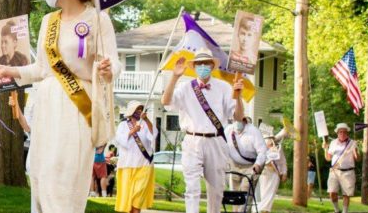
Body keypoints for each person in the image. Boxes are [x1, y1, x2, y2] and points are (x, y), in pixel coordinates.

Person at [0, 0, 121, 212]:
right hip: (46, 106)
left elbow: (112, 63)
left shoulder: (97, 20)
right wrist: (8, 69)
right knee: (40, 173)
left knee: (64, 177)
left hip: (77, 107)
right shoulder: (49, 21)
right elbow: (42, 68)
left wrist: (108, 70)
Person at [160, 48, 245, 213]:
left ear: (213, 66)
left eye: (207, 63)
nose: (203, 66)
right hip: (192, 140)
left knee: (216, 189)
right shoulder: (185, 87)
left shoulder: (224, 88)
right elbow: (165, 101)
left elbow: (238, 117)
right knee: (191, 186)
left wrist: (239, 96)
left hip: (216, 141)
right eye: (199, 63)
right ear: (194, 66)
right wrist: (175, 77)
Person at [113, 101, 157, 213]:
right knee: (128, 200)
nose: (140, 112)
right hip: (127, 165)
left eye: (141, 109)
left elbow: (154, 135)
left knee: (138, 198)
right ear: (131, 112)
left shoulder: (146, 124)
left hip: (144, 165)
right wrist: (132, 131)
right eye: (137, 109)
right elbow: (119, 140)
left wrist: (146, 120)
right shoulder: (123, 125)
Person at [224, 116, 267, 194]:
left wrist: (258, 164)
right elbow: (222, 147)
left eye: (239, 120)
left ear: (245, 120)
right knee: (234, 194)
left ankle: (244, 206)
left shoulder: (253, 131)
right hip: (235, 165)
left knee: (245, 190)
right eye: (234, 120)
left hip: (250, 167)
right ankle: (237, 206)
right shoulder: (228, 130)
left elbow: (262, 151)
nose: (237, 123)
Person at [323, 123, 359, 213]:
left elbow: (358, 159)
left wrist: (356, 152)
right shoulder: (333, 143)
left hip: (348, 172)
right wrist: (325, 149)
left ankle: (345, 212)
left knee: (346, 194)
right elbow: (328, 158)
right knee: (332, 192)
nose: (342, 134)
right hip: (334, 171)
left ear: (347, 133)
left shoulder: (352, 143)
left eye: (344, 132)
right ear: (337, 133)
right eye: (340, 132)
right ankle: (336, 210)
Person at [258, 135, 287, 213]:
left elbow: (282, 161)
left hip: (274, 175)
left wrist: (284, 173)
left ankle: (266, 210)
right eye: (269, 139)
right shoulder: (261, 148)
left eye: (271, 139)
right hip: (264, 173)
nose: (270, 141)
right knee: (264, 193)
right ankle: (261, 209)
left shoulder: (278, 148)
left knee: (271, 193)